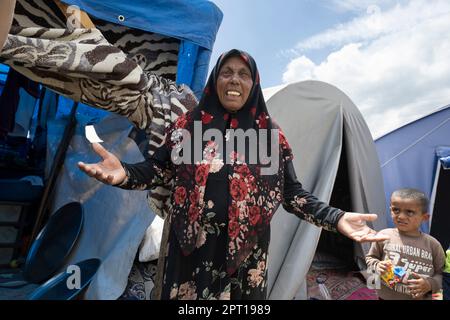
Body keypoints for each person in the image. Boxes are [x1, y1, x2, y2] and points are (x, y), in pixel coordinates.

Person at [78, 49, 387, 300]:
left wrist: (336, 218)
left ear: (254, 83)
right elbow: (159, 169)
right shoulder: (189, 126)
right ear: (216, 80)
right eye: (227, 72)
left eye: (243, 74)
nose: (234, 80)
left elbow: (291, 194)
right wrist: (125, 174)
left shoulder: (269, 137)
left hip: (245, 261)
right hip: (189, 255)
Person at [366, 188, 446, 300]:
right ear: (390, 210)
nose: (401, 216)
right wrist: (377, 265)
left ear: (425, 217)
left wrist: (429, 284)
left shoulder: (433, 244)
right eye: (396, 210)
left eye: (409, 212)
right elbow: (371, 258)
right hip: (385, 297)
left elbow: (442, 275)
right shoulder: (383, 236)